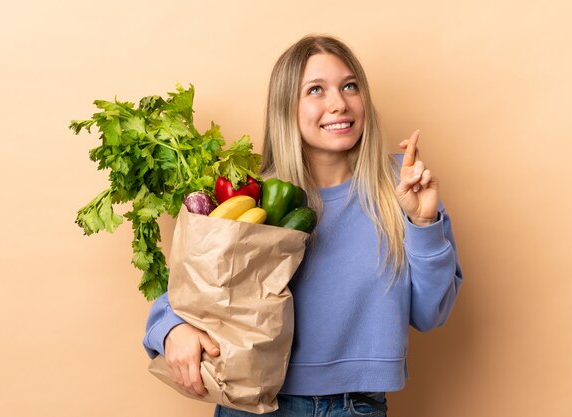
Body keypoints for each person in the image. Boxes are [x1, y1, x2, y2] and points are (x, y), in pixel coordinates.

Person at [143, 34, 463, 417]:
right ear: (286, 108)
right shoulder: (255, 196)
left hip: (356, 407)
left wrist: (424, 220)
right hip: (255, 404)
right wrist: (170, 328)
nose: (339, 104)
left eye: (349, 86)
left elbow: (431, 314)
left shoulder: (401, 183)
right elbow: (192, 288)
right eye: (315, 90)